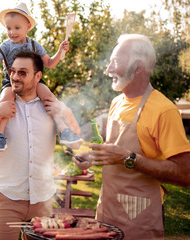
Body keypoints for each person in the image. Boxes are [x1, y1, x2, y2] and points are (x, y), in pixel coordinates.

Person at [73, 34, 190, 239]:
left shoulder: (164, 110)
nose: (108, 69)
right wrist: (93, 157)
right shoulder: (116, 103)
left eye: (115, 62)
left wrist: (128, 158)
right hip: (107, 210)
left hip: (140, 216)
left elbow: (184, 174)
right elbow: (115, 152)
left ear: (137, 67)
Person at [0, 50, 81, 240]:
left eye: (22, 73)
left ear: (38, 76)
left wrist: (66, 112)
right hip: (7, 198)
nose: (15, 77)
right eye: (13, 72)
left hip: (43, 199)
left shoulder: (51, 106)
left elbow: (76, 145)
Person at [0, 2, 82, 153]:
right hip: (10, 81)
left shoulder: (34, 45)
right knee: (6, 99)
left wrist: (60, 51)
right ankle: (0, 136)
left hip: (34, 80)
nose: (12, 32)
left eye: (17, 28)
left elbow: (49, 63)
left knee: (49, 98)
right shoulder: (6, 46)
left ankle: (63, 129)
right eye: (8, 28)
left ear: (27, 27)